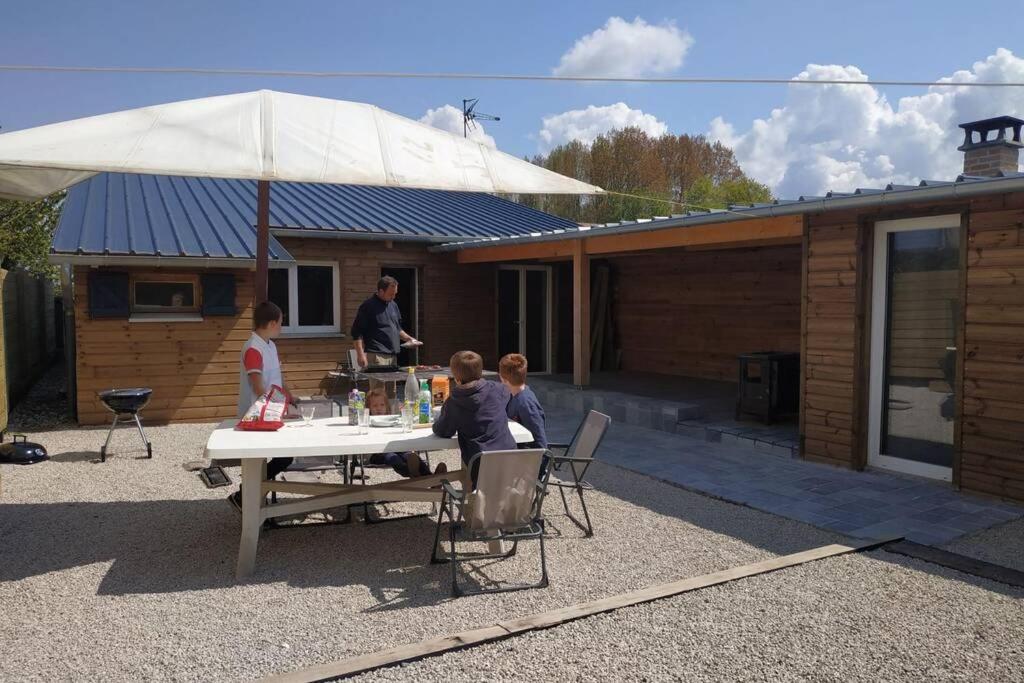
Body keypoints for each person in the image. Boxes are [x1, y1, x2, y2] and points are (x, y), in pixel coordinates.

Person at [228, 301, 296, 512]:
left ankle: (247, 497)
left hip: (272, 412)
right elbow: (258, 388)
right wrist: (280, 407)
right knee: (272, 459)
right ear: (272, 323)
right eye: (281, 323)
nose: (282, 328)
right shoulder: (252, 349)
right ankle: (246, 497)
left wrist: (292, 399)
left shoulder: (270, 345)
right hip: (257, 415)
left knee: (283, 456)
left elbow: (278, 377)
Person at [432, 350, 516, 486]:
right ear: (481, 372)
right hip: (511, 463)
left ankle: (473, 505)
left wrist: (437, 420)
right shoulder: (499, 390)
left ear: (457, 379)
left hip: (480, 468)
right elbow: (506, 399)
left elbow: (443, 431)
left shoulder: (454, 403)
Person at [360, 388, 446, 477]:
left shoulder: (391, 420)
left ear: (387, 406)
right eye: (375, 406)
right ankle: (425, 477)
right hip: (377, 452)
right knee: (392, 457)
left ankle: (428, 476)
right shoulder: (367, 422)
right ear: (368, 408)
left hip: (396, 448)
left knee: (410, 456)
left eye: (382, 405)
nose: (379, 408)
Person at [350, 276, 422, 369]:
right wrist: (360, 355)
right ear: (381, 291)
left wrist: (410, 339)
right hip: (377, 356)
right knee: (379, 384)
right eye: (391, 294)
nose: (394, 297)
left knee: (392, 384)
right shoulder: (368, 306)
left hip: (393, 356)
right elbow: (356, 332)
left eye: (395, 294)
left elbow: (397, 329)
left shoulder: (393, 305)